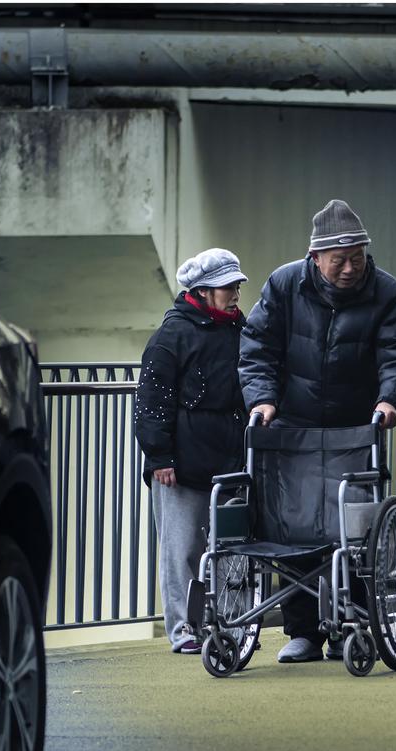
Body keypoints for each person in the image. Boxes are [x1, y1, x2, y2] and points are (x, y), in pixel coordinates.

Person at [238, 199, 396, 663]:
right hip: (292, 424)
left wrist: (391, 400)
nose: (351, 268)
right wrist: (262, 399)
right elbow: (257, 345)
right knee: (291, 526)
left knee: (351, 532)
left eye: (357, 257)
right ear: (315, 258)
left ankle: (349, 624)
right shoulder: (283, 284)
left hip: (355, 428)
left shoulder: (388, 293)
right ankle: (303, 633)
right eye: (340, 260)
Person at [135, 248, 249, 654]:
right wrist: (159, 458)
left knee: (231, 546)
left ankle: (229, 622)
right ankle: (184, 628)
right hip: (181, 463)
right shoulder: (172, 335)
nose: (235, 293)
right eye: (226, 287)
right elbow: (152, 400)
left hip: (230, 456)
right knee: (181, 549)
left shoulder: (240, 329)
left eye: (236, 285)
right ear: (202, 292)